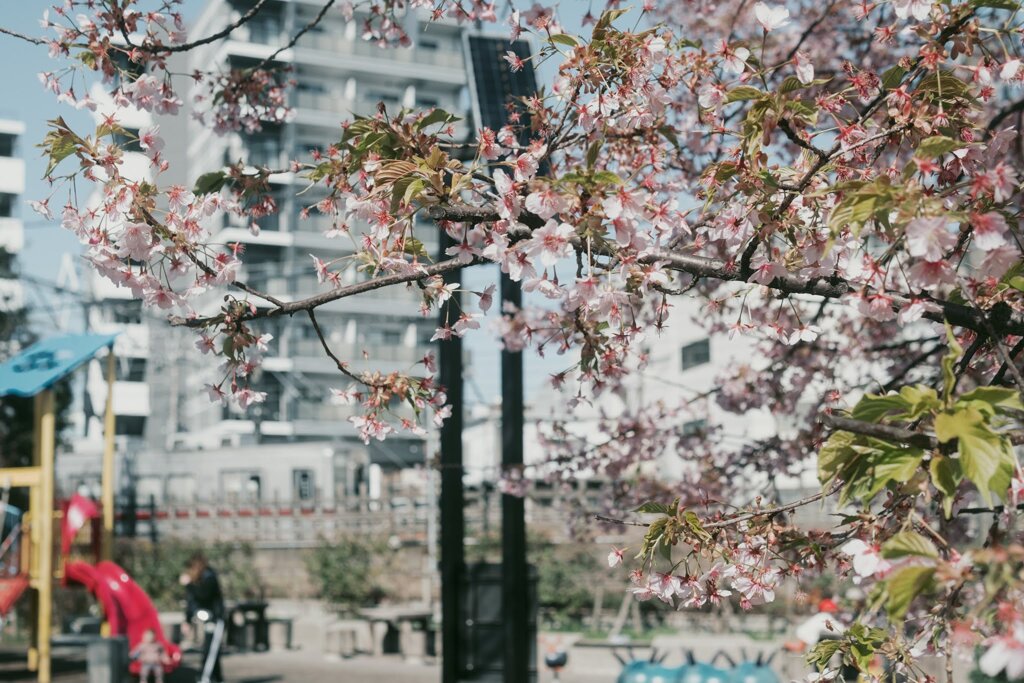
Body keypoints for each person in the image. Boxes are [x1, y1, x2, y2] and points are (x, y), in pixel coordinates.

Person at [181, 553, 226, 683]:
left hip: (216, 619)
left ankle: (205, 678)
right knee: (210, 650)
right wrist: (187, 620)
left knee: (211, 651)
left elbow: (203, 596)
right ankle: (216, 678)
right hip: (208, 620)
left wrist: (189, 585)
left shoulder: (209, 577)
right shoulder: (198, 581)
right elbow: (191, 601)